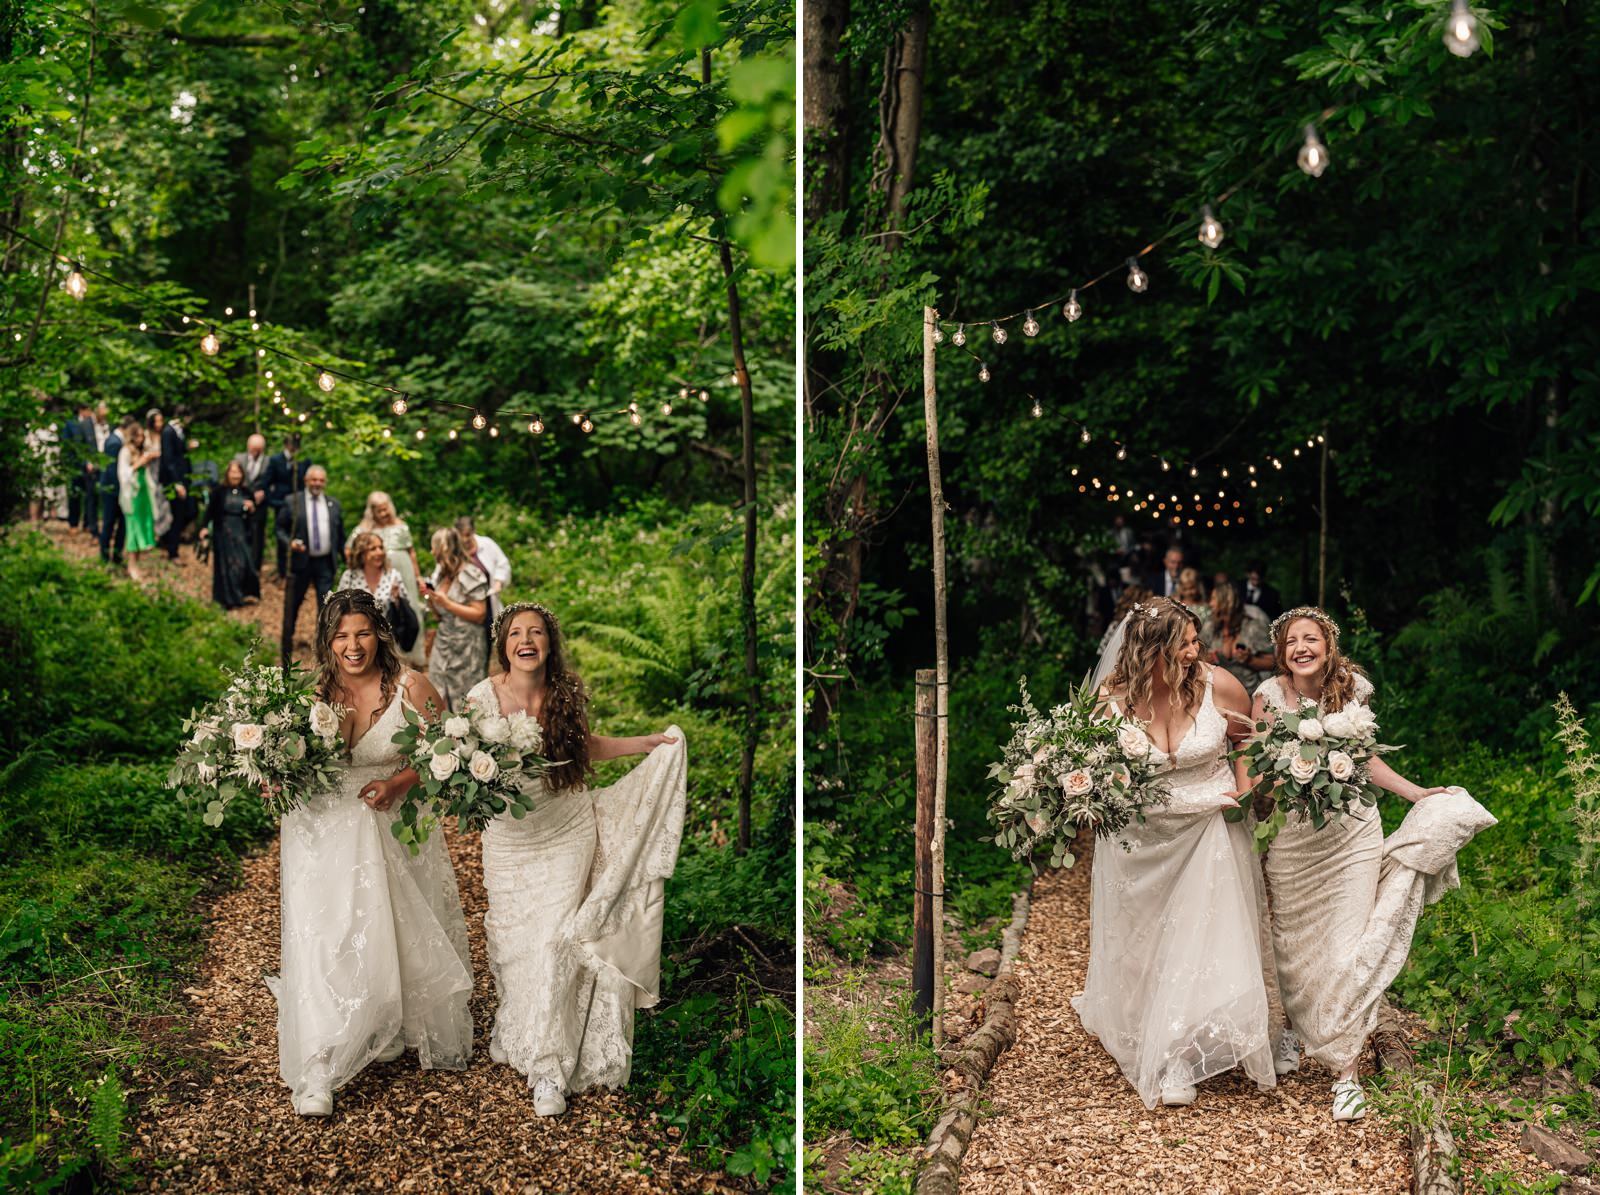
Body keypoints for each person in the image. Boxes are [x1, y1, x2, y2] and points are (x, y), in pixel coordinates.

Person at [1251, 608, 1495, 1123]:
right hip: (1295, 842)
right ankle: (1295, 1031)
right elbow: (1260, 766)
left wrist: (1415, 792)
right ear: (1281, 650)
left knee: (1345, 948)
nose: (1301, 648)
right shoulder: (1268, 697)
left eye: (1310, 638)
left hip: (1352, 835)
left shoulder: (1353, 689)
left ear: (1327, 643)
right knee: (1294, 950)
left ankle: (1346, 1072)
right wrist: (1249, 801)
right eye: (1291, 640)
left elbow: (1365, 759)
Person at [470, 603, 683, 1116]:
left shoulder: (564, 693)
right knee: (516, 944)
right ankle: (524, 1029)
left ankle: (550, 1067)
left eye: (536, 633)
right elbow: (461, 759)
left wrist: (647, 744)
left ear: (549, 644)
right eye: (516, 632)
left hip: (566, 828)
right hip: (508, 837)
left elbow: (583, 749)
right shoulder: (481, 697)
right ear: (503, 644)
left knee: (557, 939)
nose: (526, 640)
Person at [270, 590, 473, 1117]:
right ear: (327, 641)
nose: (352, 645)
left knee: (385, 927)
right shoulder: (312, 693)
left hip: (385, 820)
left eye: (361, 633)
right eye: (340, 636)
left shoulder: (411, 687)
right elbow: (286, 759)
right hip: (318, 824)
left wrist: (400, 781)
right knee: (323, 933)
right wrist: (272, 776)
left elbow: (449, 749)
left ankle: (382, 1018)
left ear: (379, 634)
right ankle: (318, 1064)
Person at [1073, 598, 1276, 1109]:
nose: (1195, 650)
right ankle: (1147, 1026)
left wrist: (1246, 786)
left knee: (1203, 936)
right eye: (1185, 642)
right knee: (1143, 942)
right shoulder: (1108, 700)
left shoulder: (1219, 685)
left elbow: (1249, 741)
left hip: (1209, 825)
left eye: (1194, 640)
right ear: (1153, 648)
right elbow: (1087, 766)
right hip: (1137, 841)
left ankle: (1178, 1054)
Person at [277, 465, 344, 667]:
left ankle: (325, 657)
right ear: (306, 480)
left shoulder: (333, 504)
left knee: (326, 608)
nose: (317, 483)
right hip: (300, 563)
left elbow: (340, 534)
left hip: (325, 563)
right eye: (314, 480)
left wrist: (346, 555)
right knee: (292, 607)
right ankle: (285, 656)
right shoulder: (293, 501)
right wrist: (290, 542)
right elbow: (279, 528)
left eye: (321, 480)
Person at [350, 493, 427, 668]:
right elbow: (351, 549)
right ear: (372, 511)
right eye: (379, 510)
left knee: (407, 608)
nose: (384, 513)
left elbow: (411, 551)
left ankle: (411, 653)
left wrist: (417, 576)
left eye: (385, 509)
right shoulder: (365, 528)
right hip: (376, 571)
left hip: (403, 570)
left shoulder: (401, 526)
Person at [422, 527, 489, 708]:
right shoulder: (441, 575)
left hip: (467, 644)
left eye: (434, 547)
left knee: (465, 696)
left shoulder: (470, 573)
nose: (431, 552)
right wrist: (430, 597)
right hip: (444, 641)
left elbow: (480, 614)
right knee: (437, 689)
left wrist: (447, 603)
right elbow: (439, 615)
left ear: (443, 548)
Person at [338, 531, 418, 656]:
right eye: (373, 549)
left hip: (387, 641)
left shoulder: (393, 575)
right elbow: (339, 609)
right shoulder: (350, 577)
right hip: (357, 641)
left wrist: (396, 599)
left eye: (381, 547)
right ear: (361, 553)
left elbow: (404, 610)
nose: (379, 552)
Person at [199, 460, 261, 610]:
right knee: (225, 566)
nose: (235, 475)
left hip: (240, 532)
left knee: (243, 564)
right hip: (223, 531)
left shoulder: (247, 491)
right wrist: (203, 527)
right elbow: (210, 511)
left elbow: (254, 516)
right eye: (232, 472)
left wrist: (251, 509)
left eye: (238, 472)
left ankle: (243, 592)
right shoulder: (219, 491)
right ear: (227, 474)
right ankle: (227, 599)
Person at [118, 421, 169, 583]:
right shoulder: (125, 452)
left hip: (144, 494)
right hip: (132, 495)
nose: (141, 439)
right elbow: (123, 474)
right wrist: (138, 464)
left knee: (142, 527)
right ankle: (131, 565)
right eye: (138, 435)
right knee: (133, 529)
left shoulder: (142, 450)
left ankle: (137, 564)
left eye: (142, 436)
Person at [1204, 581, 1274, 692]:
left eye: (1213, 599)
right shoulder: (1210, 627)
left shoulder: (1252, 626)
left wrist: (1250, 660)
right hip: (1219, 693)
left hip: (1250, 693)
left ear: (1225, 602)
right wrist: (1206, 659)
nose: (1210, 604)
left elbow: (1273, 662)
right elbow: (1197, 656)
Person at [264, 433, 310, 581]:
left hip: (299, 505)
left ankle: (298, 571)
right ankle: (282, 571)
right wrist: (273, 501)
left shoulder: (304, 461)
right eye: (291, 444)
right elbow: (267, 482)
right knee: (282, 538)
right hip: (281, 505)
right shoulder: (275, 460)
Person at [152, 407, 193, 561]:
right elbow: (169, 460)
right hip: (174, 481)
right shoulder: (168, 432)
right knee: (176, 515)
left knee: (184, 513)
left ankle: (169, 543)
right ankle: (172, 550)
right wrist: (177, 483)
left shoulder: (178, 431)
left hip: (182, 479)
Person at [233, 434, 271, 570]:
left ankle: (255, 567)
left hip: (260, 506)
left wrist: (265, 492)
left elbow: (272, 482)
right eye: (253, 448)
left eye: (259, 449)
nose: (256, 452)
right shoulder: (239, 458)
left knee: (258, 538)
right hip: (241, 502)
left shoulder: (268, 461)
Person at [61, 402, 98, 536]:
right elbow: (67, 444)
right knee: (75, 495)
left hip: (89, 466)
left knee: (90, 495)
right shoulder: (71, 424)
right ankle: (73, 523)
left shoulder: (93, 424)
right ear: (82, 410)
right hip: (75, 465)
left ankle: (88, 523)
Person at [97, 416, 127, 564]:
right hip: (112, 490)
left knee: (120, 523)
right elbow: (112, 469)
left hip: (116, 489)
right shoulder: (115, 442)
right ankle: (105, 554)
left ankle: (115, 554)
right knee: (109, 523)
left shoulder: (116, 440)